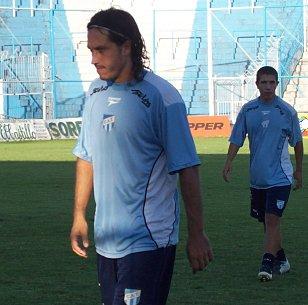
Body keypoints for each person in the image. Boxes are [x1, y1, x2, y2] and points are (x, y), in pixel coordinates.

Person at [70, 7, 213, 305]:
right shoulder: (95, 93)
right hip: (106, 240)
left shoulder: (162, 98)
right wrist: (79, 215)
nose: (94, 59)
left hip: (148, 239)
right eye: (91, 50)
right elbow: (86, 157)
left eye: (101, 50)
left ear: (126, 46)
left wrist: (197, 234)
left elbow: (187, 168)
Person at [222, 66, 303, 282]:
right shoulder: (248, 111)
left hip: (281, 177)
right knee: (267, 223)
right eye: (264, 82)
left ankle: (266, 264)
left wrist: (299, 170)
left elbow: (297, 142)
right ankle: (282, 260)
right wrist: (228, 162)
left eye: (272, 82)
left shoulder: (287, 112)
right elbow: (237, 138)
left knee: (272, 219)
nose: (268, 86)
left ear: (277, 84)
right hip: (258, 178)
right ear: (257, 84)